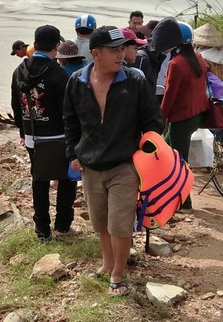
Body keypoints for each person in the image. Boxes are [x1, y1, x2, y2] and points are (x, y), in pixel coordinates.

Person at [64, 26, 163, 296]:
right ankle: (107, 263)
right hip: (90, 165)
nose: (121, 54)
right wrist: (72, 153)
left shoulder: (134, 81)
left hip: (124, 165)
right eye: (114, 50)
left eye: (122, 48)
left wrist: (143, 159)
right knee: (100, 221)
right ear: (95, 53)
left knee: (119, 222)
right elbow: (70, 121)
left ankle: (119, 272)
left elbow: (154, 123)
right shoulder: (76, 82)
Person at [11, 25, 78, 241]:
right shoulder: (58, 73)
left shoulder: (19, 71)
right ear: (57, 46)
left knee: (38, 179)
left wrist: (23, 132)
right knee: (66, 179)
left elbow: (15, 105)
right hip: (58, 135)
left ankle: (42, 230)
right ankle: (62, 226)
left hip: (32, 136)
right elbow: (68, 110)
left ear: (35, 43)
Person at [161, 22, 210, 211]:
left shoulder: (176, 64)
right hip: (196, 115)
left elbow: (169, 96)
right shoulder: (198, 58)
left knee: (180, 162)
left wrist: (160, 118)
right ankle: (168, 190)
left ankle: (184, 202)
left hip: (181, 119)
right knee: (165, 149)